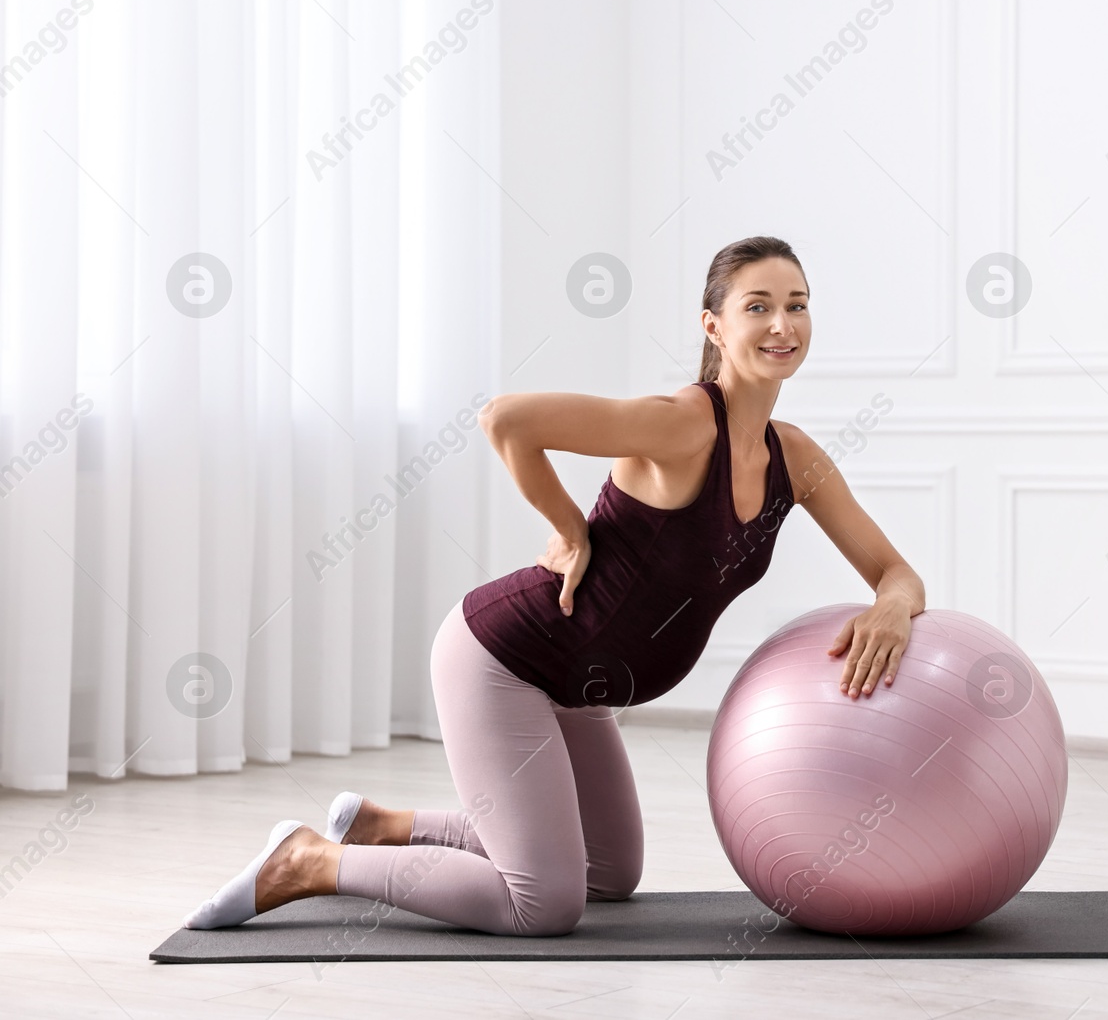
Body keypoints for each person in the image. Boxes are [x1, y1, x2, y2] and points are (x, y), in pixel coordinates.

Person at [184, 235, 927, 936]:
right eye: (757, 305)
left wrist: (892, 606)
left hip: (579, 681)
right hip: (505, 658)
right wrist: (572, 527)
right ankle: (310, 860)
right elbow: (507, 419)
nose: (782, 323)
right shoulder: (680, 424)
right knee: (541, 902)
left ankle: (380, 824)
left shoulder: (791, 456)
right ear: (714, 324)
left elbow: (895, 571)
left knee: (610, 872)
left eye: (796, 303)